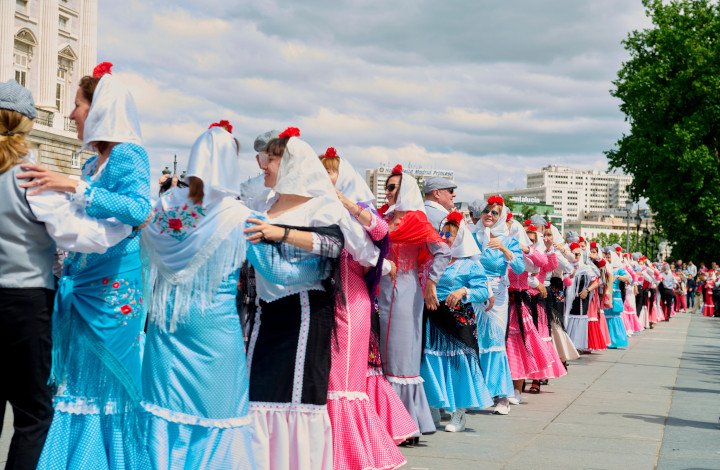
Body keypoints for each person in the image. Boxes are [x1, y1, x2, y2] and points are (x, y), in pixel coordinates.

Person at [18, 63, 153, 469]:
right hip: (83, 287)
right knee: (76, 383)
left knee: (104, 388)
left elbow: (139, 209)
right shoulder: (93, 163)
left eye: (78, 105)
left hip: (113, 293)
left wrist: (72, 186)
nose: (73, 113)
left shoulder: (129, 154)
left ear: (100, 110)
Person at [140, 123, 255, 469]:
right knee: (219, 412)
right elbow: (279, 274)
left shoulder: (162, 208)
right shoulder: (239, 215)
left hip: (166, 323)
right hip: (215, 327)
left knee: (165, 409)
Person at [242, 128, 345, 470]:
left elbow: (332, 248)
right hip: (263, 316)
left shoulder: (320, 204)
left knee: (296, 399)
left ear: (292, 163)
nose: (263, 164)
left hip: (303, 315)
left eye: (271, 158)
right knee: (258, 397)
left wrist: (278, 233)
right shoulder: (266, 203)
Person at [318, 148, 407, 470]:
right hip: (318, 301)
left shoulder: (358, 209)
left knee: (341, 380)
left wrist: (347, 205)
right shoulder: (311, 205)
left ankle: (348, 455)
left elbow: (382, 232)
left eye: (329, 171)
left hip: (351, 299)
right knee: (325, 376)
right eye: (321, 171)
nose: (325, 176)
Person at [377, 164, 450, 443]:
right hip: (379, 290)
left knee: (401, 356)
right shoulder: (383, 218)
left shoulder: (417, 220)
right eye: (386, 186)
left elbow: (442, 249)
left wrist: (431, 281)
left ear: (404, 189)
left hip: (405, 290)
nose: (387, 191)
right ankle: (388, 421)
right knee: (383, 355)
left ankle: (405, 424)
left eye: (392, 187)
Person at [420, 212, 493, 432]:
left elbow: (482, 291)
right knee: (430, 362)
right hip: (432, 318)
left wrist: (463, 290)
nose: (444, 238)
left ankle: (459, 414)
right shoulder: (430, 261)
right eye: (441, 234)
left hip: (459, 319)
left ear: (460, 238)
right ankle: (433, 409)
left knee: (460, 365)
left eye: (449, 235)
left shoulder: (470, 265)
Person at [470, 196, 522, 415]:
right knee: (474, 341)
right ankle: (479, 394)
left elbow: (519, 268)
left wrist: (504, 249)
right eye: (486, 211)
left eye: (494, 213)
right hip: (474, 295)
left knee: (495, 340)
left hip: (498, 296)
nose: (489, 215)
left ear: (501, 217)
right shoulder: (472, 237)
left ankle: (502, 395)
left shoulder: (509, 240)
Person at [564, 242, 599, 352]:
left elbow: (596, 282)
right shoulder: (564, 266)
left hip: (580, 299)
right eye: (573, 254)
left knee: (579, 321)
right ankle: (567, 346)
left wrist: (587, 290)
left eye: (578, 254)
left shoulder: (586, 268)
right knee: (565, 320)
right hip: (565, 301)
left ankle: (577, 346)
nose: (575, 256)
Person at [603, 248, 630, 348]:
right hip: (606, 295)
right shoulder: (605, 267)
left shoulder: (619, 269)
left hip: (615, 296)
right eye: (606, 257)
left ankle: (616, 341)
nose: (608, 259)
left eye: (609, 257)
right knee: (606, 316)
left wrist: (617, 276)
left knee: (614, 317)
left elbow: (627, 278)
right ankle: (607, 340)